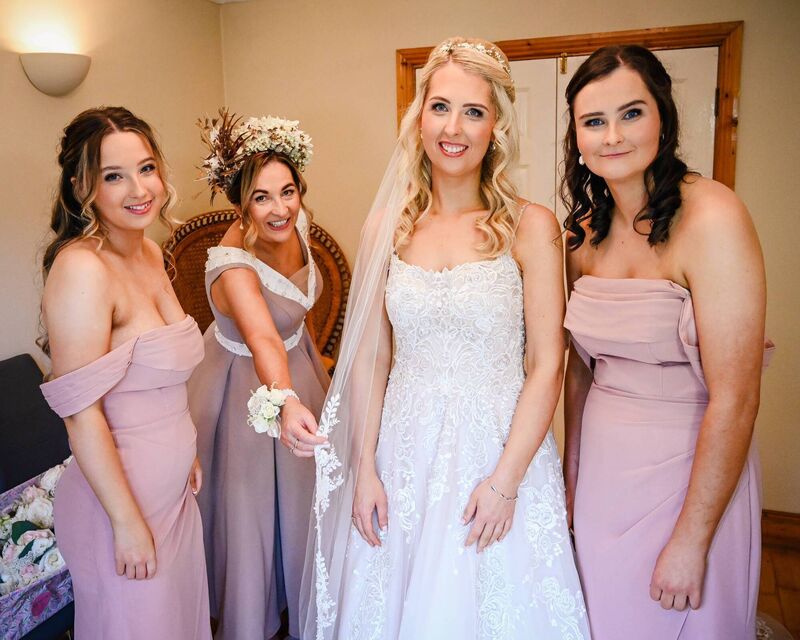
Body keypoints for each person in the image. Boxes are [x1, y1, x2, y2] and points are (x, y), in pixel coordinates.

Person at [302, 37, 589, 640]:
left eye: (474, 112)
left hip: (499, 450)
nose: (453, 128)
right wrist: (365, 468)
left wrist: (506, 483)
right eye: (440, 107)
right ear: (419, 117)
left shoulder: (530, 227)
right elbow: (371, 360)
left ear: (496, 128)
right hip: (403, 453)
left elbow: (547, 364)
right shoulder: (389, 224)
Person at [561, 45, 774, 639]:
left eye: (632, 113)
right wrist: (571, 476)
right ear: (577, 136)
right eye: (594, 121)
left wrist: (692, 537)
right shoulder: (581, 235)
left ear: (664, 118)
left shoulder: (714, 218)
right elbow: (580, 372)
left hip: (691, 473)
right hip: (604, 474)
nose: (612, 136)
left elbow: (737, 397)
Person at [38, 107, 211, 639]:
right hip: (118, 510)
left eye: (146, 168)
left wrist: (188, 449)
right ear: (81, 187)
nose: (139, 189)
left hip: (174, 498)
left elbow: (158, 380)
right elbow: (80, 416)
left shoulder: (152, 251)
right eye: (114, 176)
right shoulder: (82, 268)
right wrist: (126, 522)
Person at [189, 111, 330, 640]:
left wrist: (314, 371)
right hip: (242, 385)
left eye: (288, 191)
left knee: (303, 498)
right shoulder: (233, 264)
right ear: (241, 201)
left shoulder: (300, 223)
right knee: (250, 513)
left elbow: (294, 318)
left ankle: (305, 601)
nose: (280, 209)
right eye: (262, 197)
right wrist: (288, 398)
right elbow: (264, 338)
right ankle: (254, 618)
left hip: (299, 363)